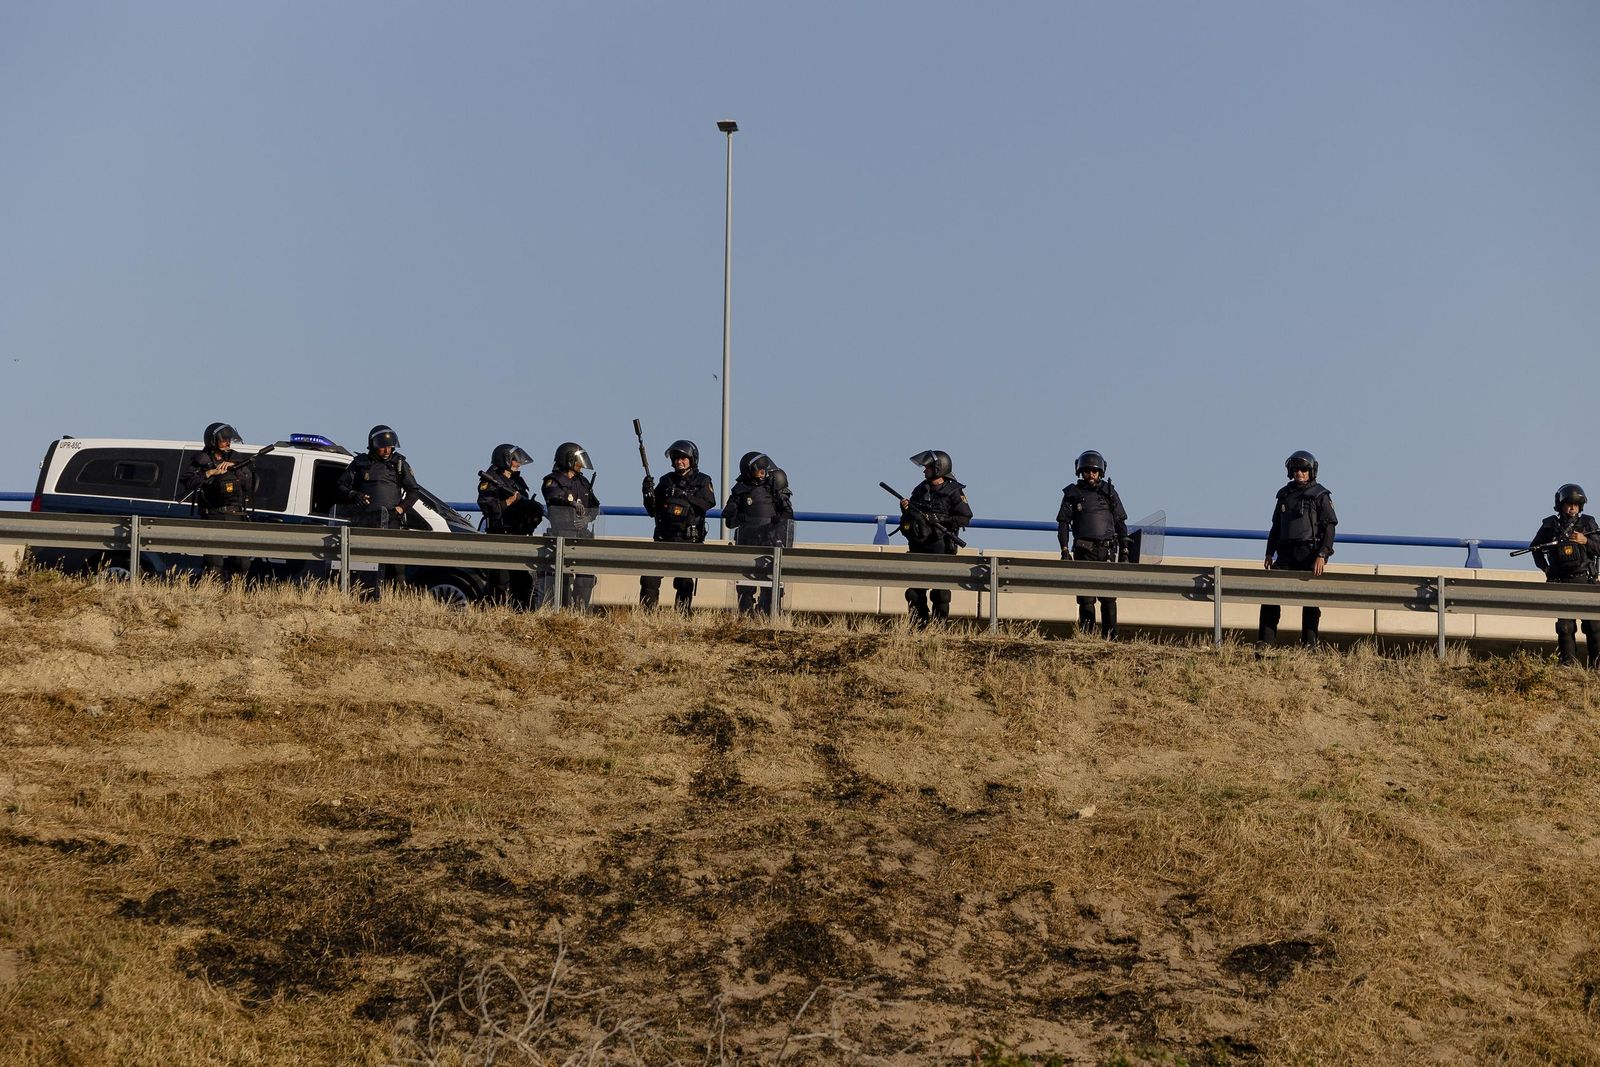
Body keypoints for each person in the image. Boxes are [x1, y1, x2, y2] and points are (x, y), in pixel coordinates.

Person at [1259, 450, 1337, 651]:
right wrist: (1269, 552)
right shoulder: (1284, 495)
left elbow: (1329, 527)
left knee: (1310, 600)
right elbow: (1276, 526)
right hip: (1285, 553)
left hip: (1309, 553)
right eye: (1295, 469)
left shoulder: (1320, 494)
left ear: (1311, 471)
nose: (1299, 473)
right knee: (1270, 594)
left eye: (1303, 469)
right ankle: (1265, 642)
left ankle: (1309, 645)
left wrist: (1322, 555)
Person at [338, 425, 421, 593]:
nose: (387, 450)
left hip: (391, 521)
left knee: (396, 566)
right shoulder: (360, 463)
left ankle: (397, 599)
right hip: (365, 522)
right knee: (364, 564)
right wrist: (355, 495)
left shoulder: (399, 464)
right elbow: (341, 485)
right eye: (383, 446)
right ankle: (364, 596)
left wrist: (400, 508)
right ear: (374, 445)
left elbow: (414, 491)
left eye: (390, 447)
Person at [1056, 450, 1130, 639]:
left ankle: (1111, 639)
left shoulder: (1109, 493)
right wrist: (1064, 550)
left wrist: (1125, 552)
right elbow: (1063, 523)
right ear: (1081, 472)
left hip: (1106, 550)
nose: (1091, 475)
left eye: (1094, 472)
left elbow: (1121, 523)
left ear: (1101, 472)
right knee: (1086, 598)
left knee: (1108, 597)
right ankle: (1087, 637)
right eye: (1087, 471)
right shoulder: (1073, 493)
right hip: (1083, 550)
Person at [897, 449, 972, 628]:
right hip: (918, 546)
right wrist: (906, 510)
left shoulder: (954, 491)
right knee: (915, 592)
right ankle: (918, 626)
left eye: (928, 468)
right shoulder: (920, 489)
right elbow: (913, 516)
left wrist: (939, 519)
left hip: (941, 547)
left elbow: (965, 518)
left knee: (940, 593)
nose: (924, 471)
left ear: (939, 468)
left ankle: (938, 629)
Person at [640, 439, 716, 611]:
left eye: (683, 458)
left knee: (684, 582)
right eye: (676, 458)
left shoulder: (702, 480)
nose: (679, 462)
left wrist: (684, 495)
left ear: (691, 459)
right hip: (664, 537)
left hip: (688, 539)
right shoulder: (666, 481)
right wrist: (647, 493)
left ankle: (682, 615)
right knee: (649, 579)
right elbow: (653, 510)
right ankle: (646, 614)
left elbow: (708, 503)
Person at [1530, 483, 1600, 667]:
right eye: (1569, 504)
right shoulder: (1550, 525)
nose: (1572, 508)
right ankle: (1568, 667)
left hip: (1585, 579)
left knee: (1594, 626)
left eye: (1576, 505)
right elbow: (1535, 548)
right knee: (1565, 627)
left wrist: (1585, 541)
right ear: (1561, 505)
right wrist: (1546, 569)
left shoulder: (1588, 523)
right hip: (1561, 582)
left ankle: (1597, 668)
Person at [180, 421, 257, 580]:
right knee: (214, 563)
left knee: (241, 562)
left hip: (236, 514)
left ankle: (236, 593)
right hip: (213, 515)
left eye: (229, 440)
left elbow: (249, 483)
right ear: (213, 441)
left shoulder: (237, 458)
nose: (227, 443)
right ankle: (213, 593)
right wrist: (209, 473)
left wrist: (235, 468)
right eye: (223, 440)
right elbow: (187, 481)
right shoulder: (201, 460)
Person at [722, 450, 795, 615]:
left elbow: (789, 514)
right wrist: (738, 515)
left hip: (770, 543)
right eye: (758, 469)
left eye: (764, 469)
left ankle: (767, 613)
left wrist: (778, 521)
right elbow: (729, 520)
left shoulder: (774, 488)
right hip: (747, 542)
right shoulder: (740, 490)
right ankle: (745, 615)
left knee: (770, 584)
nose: (762, 472)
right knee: (745, 585)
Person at [477, 444, 544, 609]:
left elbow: (525, 503)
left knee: (523, 580)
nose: (518, 463)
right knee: (499, 580)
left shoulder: (517, 480)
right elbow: (487, 507)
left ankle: (521, 615)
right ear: (505, 459)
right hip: (500, 534)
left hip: (518, 535)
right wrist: (508, 502)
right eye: (515, 459)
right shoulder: (489, 481)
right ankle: (493, 614)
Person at [539, 442, 601, 611]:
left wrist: (587, 518)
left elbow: (595, 506)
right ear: (568, 460)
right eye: (577, 460)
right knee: (562, 580)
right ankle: (561, 613)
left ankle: (580, 613)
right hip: (561, 536)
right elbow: (553, 497)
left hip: (582, 536)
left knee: (586, 578)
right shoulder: (552, 481)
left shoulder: (583, 482)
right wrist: (571, 503)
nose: (581, 464)